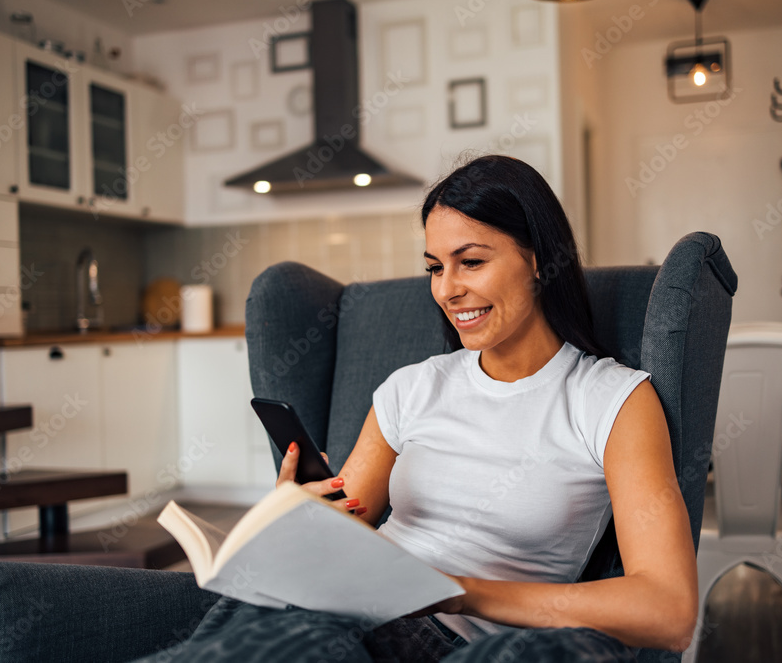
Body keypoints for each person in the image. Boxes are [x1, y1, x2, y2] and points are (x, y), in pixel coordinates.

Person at [134, 156, 697, 662]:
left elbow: (668, 609)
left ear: (536, 262)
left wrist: (455, 588)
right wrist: (300, 518)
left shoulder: (611, 400)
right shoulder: (413, 387)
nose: (447, 289)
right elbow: (348, 517)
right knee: (281, 627)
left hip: (455, 637)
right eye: (434, 267)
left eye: (470, 262)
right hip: (352, 607)